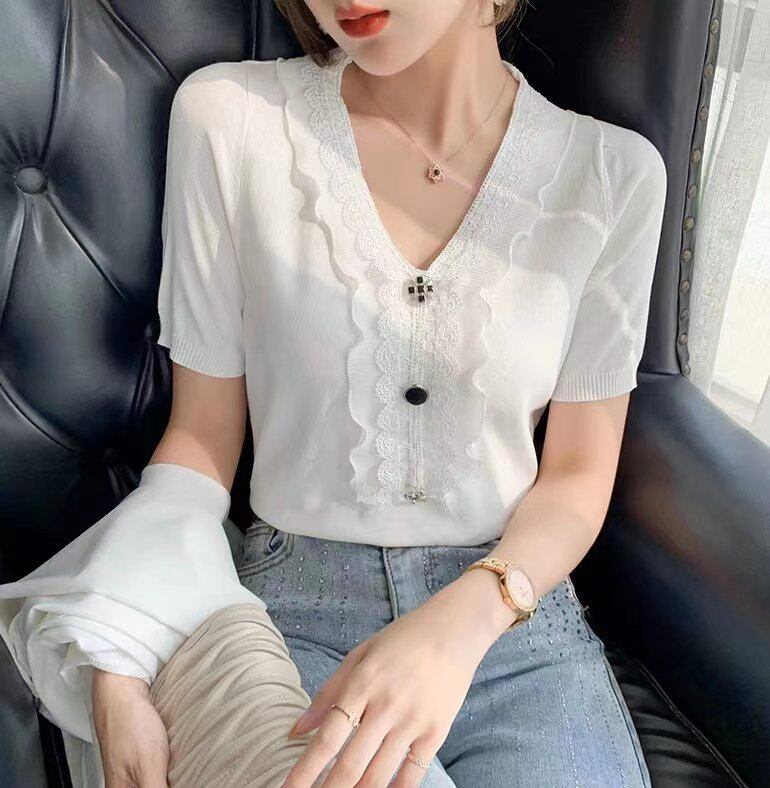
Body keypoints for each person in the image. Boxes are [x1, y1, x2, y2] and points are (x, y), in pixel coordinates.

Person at [0, 0, 668, 786]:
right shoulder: (231, 119)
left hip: (515, 629)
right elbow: (200, 441)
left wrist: (463, 621)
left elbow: (577, 478)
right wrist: (126, 651)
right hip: (296, 619)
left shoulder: (613, 176)